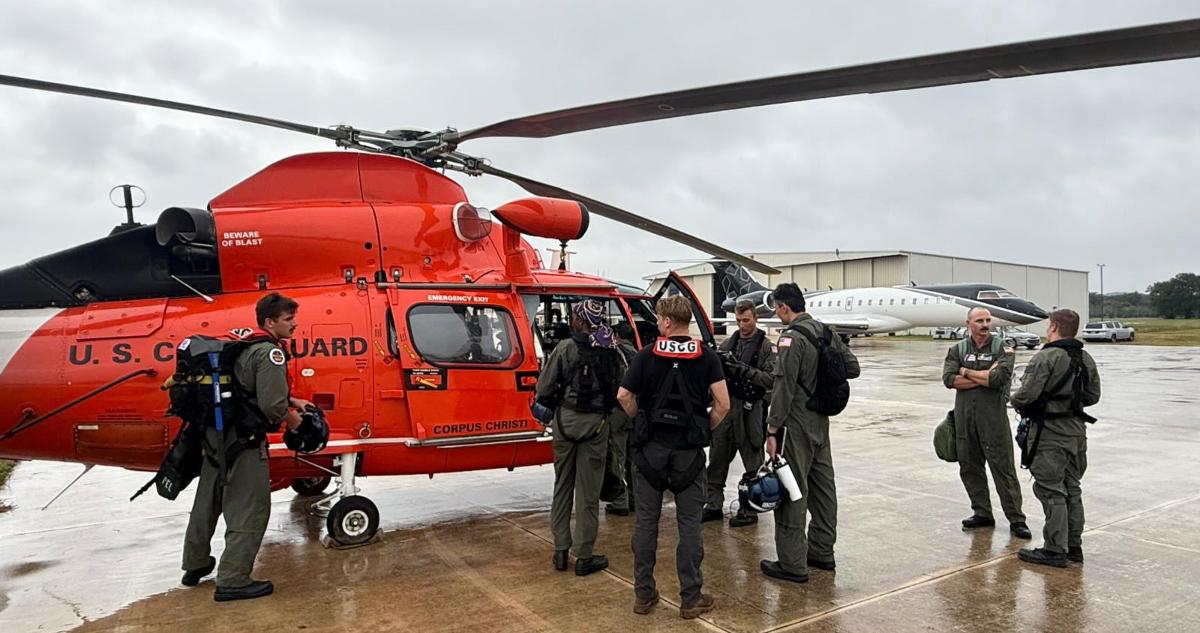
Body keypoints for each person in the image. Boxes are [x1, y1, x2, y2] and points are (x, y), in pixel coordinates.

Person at [181, 292, 309, 601]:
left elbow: (242, 387)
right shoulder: (270, 354)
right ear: (270, 322)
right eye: (288, 319)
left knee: (207, 502)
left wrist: (290, 399)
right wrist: (297, 421)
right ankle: (233, 580)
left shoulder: (242, 347)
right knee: (250, 508)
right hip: (244, 442)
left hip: (216, 436)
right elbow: (272, 407)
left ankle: (194, 564)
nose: (294, 324)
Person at [617, 295, 728, 619]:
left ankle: (643, 594)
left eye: (658, 319)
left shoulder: (644, 356)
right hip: (688, 456)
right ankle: (691, 597)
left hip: (650, 453)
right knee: (690, 525)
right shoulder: (706, 357)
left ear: (666, 321)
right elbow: (723, 404)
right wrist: (702, 429)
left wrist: (641, 421)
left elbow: (624, 396)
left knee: (646, 523)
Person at [761, 283, 860, 583]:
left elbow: (784, 388)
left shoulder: (791, 339)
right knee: (823, 488)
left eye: (776, 309)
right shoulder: (825, 331)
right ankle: (821, 552)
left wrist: (772, 430)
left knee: (792, 489)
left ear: (783, 307)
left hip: (797, 425)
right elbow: (852, 368)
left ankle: (792, 564)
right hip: (821, 422)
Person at [535, 299, 623, 576]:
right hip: (595, 427)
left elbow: (544, 386)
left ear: (580, 321)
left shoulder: (564, 349)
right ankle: (584, 556)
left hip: (564, 422)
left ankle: (561, 550)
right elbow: (622, 390)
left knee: (562, 486)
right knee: (588, 494)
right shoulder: (611, 352)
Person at [1011, 309, 1101, 568]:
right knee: (1072, 488)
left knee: (1051, 491)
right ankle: (1074, 546)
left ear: (1053, 328)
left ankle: (1054, 549)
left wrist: (1014, 400)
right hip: (1076, 433)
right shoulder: (1085, 357)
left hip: (1050, 434)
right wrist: (1070, 401)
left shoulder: (1046, 357)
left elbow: (1026, 395)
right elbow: (1093, 396)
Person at [942, 307, 1031, 539]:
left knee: (1003, 470)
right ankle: (982, 512)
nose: (985, 324)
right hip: (965, 419)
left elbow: (999, 379)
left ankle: (1016, 519)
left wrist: (966, 372)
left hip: (993, 420)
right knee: (969, 467)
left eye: (987, 320)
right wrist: (981, 377)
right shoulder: (957, 349)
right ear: (968, 323)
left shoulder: (1003, 347)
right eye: (979, 320)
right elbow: (949, 380)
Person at [703, 299, 776, 527]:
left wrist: (742, 370)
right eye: (738, 321)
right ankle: (713, 504)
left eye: (746, 320)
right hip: (727, 408)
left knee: (753, 462)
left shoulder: (766, 347)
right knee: (716, 460)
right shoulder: (727, 345)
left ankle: (749, 509)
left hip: (751, 410)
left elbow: (771, 380)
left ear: (755, 318)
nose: (742, 325)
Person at [605, 322, 640, 517]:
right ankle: (635, 497)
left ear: (616, 335)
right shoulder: (638, 355)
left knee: (616, 456)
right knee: (632, 457)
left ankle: (620, 500)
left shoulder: (614, 353)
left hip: (618, 410)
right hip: (634, 410)